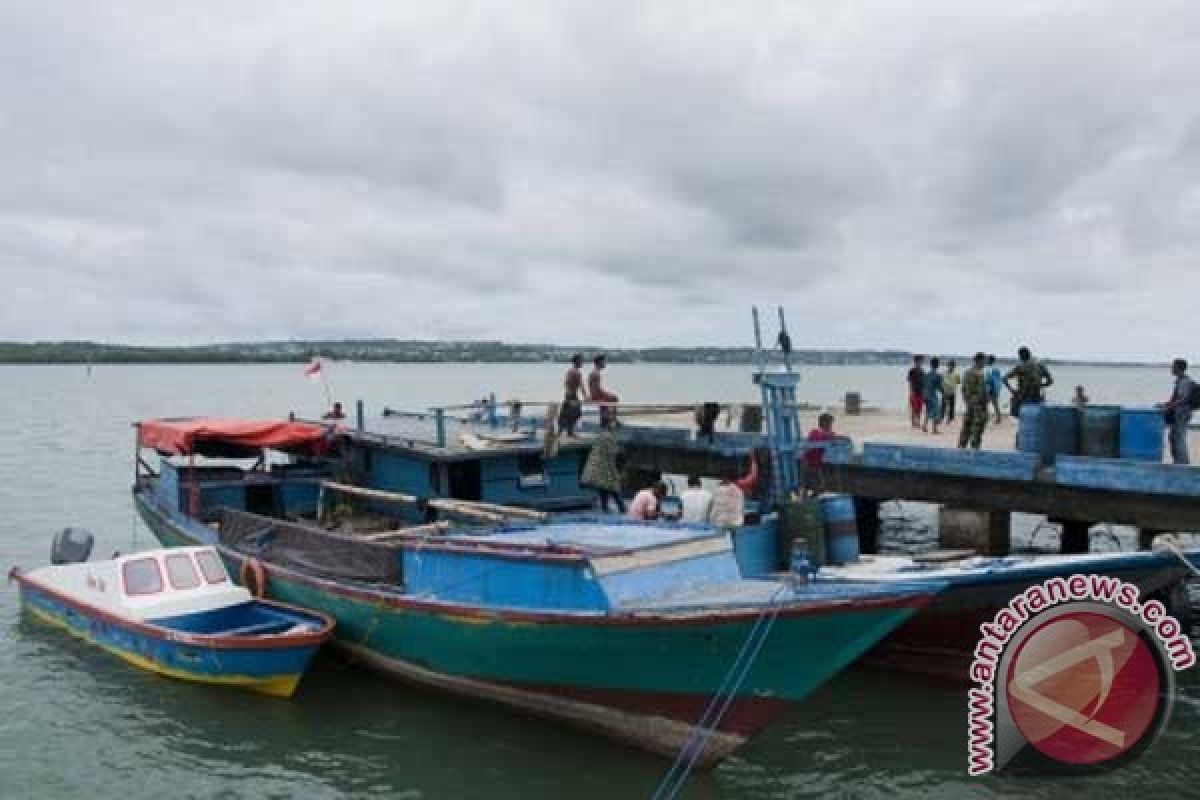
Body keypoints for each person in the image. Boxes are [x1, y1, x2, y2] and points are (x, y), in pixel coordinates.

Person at [581, 415, 624, 513]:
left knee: (604, 487)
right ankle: (622, 509)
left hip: (600, 467)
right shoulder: (608, 437)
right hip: (604, 467)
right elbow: (611, 453)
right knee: (614, 488)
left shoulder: (603, 435)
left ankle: (605, 509)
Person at [1003, 346, 1053, 419]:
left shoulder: (1020, 367)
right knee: (1035, 419)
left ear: (1021, 356)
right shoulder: (1040, 365)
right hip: (1037, 397)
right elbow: (1050, 381)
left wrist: (1012, 390)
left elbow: (1004, 378)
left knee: (1023, 419)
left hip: (1023, 397)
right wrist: (1040, 385)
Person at [1163, 359, 1195, 465]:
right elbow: (1177, 398)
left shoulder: (1185, 381)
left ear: (1179, 368)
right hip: (1179, 412)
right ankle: (1178, 461)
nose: (1171, 368)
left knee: (1179, 438)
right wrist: (1165, 404)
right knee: (1173, 437)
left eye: (1173, 366)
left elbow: (1182, 399)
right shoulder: (1180, 380)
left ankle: (1183, 463)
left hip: (1182, 413)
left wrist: (1169, 406)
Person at [802, 412, 839, 495]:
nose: (831, 426)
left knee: (819, 485)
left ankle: (811, 499)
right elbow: (823, 436)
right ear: (825, 423)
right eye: (830, 423)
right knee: (811, 485)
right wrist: (833, 437)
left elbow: (832, 438)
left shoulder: (828, 434)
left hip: (817, 464)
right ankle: (808, 501)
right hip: (808, 464)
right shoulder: (815, 432)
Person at [958, 352, 989, 449]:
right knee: (977, 430)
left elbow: (963, 389)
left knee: (966, 428)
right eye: (984, 361)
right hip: (978, 406)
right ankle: (974, 451)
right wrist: (985, 403)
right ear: (980, 361)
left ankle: (961, 449)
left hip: (969, 404)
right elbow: (981, 392)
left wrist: (967, 401)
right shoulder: (979, 374)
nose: (985, 363)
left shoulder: (967, 372)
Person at [557, 354, 584, 436]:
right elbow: (581, 385)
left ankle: (562, 431)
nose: (582, 362)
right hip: (572, 395)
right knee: (575, 413)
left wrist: (568, 390)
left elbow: (566, 383)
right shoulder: (576, 372)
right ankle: (568, 432)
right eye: (581, 361)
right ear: (576, 361)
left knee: (566, 413)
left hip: (569, 394)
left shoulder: (570, 371)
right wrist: (586, 396)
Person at [922, 357, 944, 434]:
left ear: (931, 365)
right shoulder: (938, 375)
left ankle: (924, 426)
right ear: (938, 365)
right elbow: (939, 387)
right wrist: (944, 393)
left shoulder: (926, 375)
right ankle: (934, 430)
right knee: (936, 412)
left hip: (925, 395)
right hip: (932, 396)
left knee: (928, 411)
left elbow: (924, 385)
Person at [907, 355, 926, 428]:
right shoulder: (911, 371)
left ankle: (917, 422)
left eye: (921, 361)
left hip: (921, 392)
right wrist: (911, 392)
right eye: (919, 361)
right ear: (915, 362)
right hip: (914, 392)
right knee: (914, 408)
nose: (920, 363)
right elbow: (910, 382)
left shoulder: (922, 371)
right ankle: (913, 422)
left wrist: (924, 393)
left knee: (920, 409)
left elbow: (924, 383)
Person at [986, 355, 1005, 423]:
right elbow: (999, 380)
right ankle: (999, 418)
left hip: (990, 388)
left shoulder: (989, 368)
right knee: (995, 403)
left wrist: (988, 389)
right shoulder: (997, 368)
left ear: (990, 360)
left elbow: (989, 380)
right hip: (996, 388)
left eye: (987, 359)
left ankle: (988, 418)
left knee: (985, 403)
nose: (986, 360)